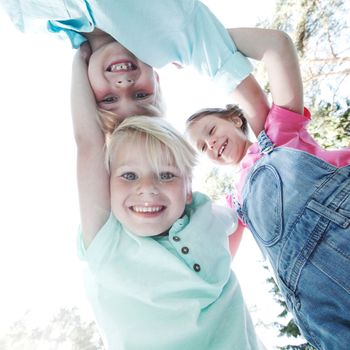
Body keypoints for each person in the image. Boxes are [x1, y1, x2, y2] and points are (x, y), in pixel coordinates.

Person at [71, 47, 265, 350]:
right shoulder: (105, 239)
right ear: (107, 188)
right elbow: (88, 143)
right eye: (129, 176)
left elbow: (243, 217)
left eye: (166, 175)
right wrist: (80, 60)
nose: (147, 188)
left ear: (188, 188)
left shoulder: (206, 213)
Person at [186, 27, 350, 350]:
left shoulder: (278, 132)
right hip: (322, 310)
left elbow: (277, 48)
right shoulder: (234, 205)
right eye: (202, 148)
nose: (211, 144)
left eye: (209, 130)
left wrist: (197, 42)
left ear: (233, 119)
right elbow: (212, 265)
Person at [0, 0, 268, 130]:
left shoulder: (28, 19)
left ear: (86, 93)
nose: (125, 85)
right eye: (142, 95)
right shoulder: (170, 28)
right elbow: (245, 93)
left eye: (108, 100)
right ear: (157, 79)